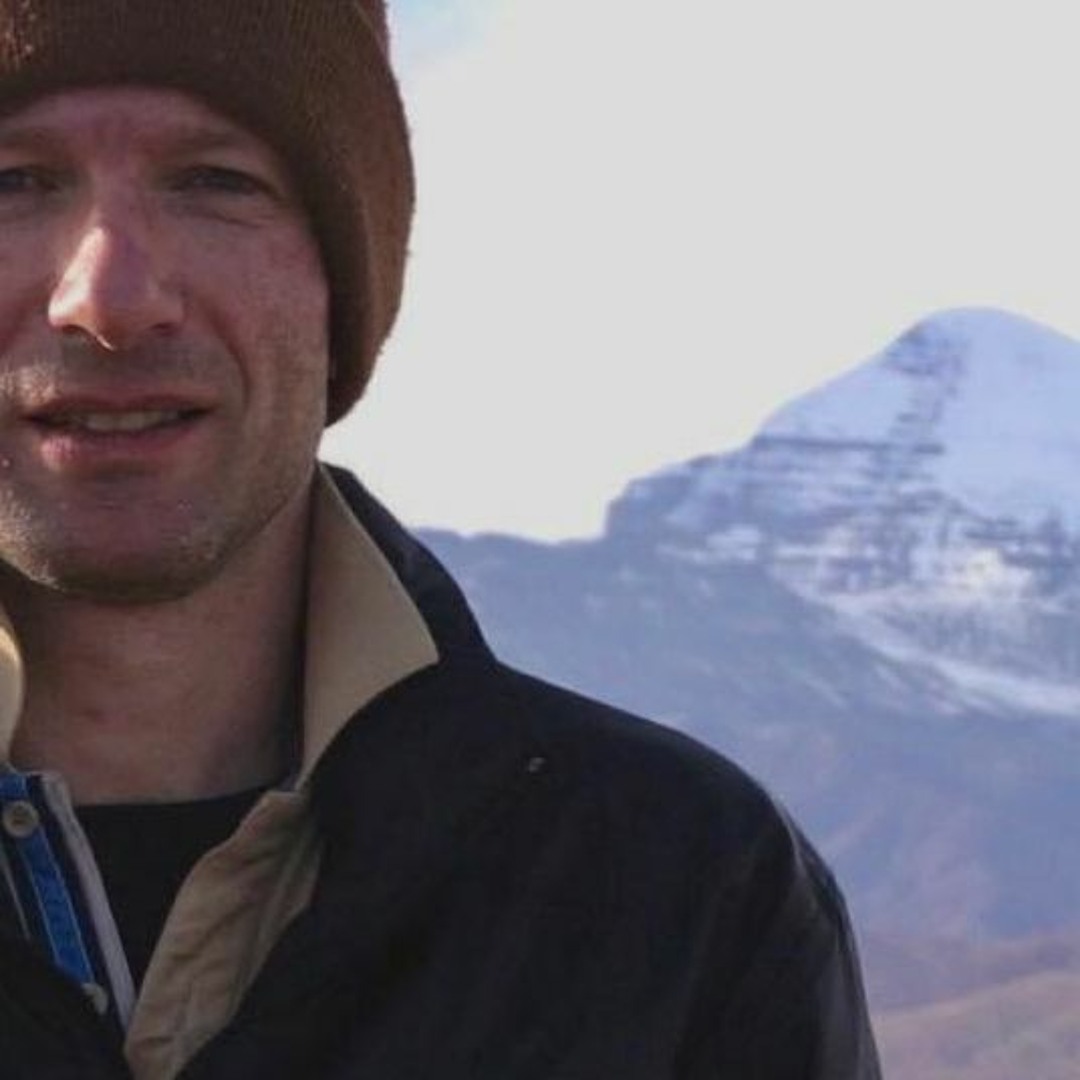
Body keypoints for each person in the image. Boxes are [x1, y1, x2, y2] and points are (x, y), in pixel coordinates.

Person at [0, 2, 881, 1077]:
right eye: (15, 181)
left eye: (215, 182)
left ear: (347, 284)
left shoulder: (681, 892)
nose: (108, 298)